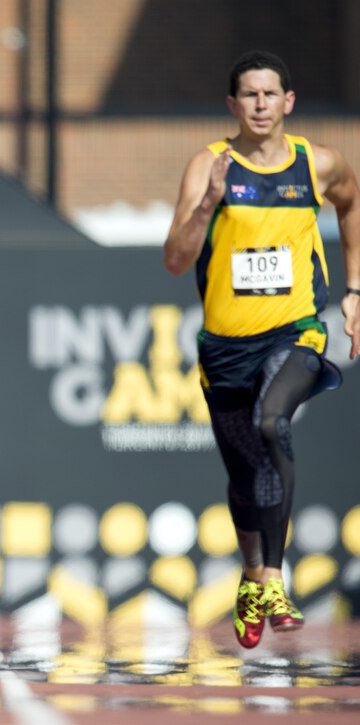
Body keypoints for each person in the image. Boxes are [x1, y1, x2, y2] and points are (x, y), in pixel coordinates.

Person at [163, 50, 360, 649]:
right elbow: (175, 260)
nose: (260, 105)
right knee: (247, 475)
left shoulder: (317, 164)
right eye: (248, 95)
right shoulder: (209, 165)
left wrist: (354, 288)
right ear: (233, 105)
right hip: (225, 346)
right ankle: (253, 576)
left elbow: (351, 205)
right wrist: (207, 203)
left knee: (274, 422)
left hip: (294, 331)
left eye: (270, 94)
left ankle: (273, 577)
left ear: (288, 102)